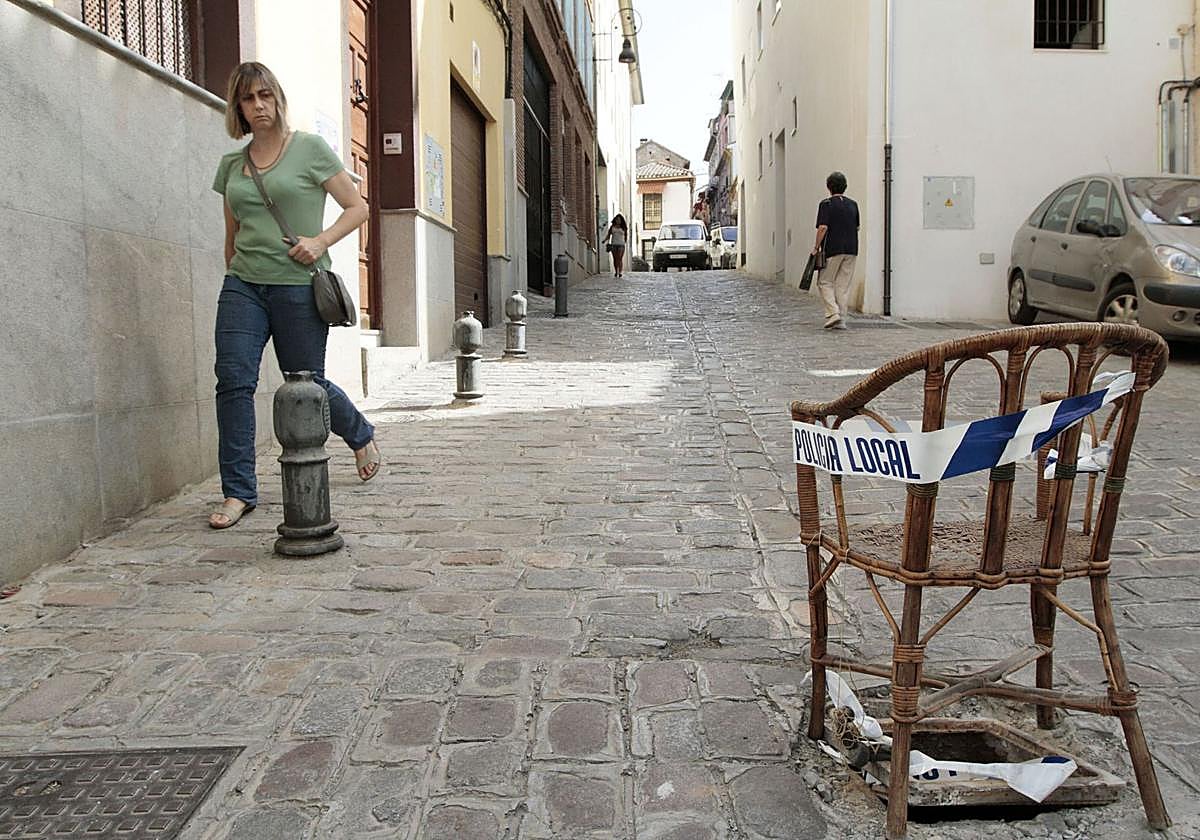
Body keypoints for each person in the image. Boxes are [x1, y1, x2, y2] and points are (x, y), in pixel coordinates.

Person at [208, 62, 379, 529]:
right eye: (248, 99)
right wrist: (235, 279)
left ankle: (359, 432)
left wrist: (320, 242)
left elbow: (358, 207)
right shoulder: (233, 166)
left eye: (265, 95)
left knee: (306, 384)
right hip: (244, 285)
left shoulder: (309, 149)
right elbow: (233, 234)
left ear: (277, 98)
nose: (258, 105)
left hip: (299, 286)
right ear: (238, 108)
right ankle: (238, 491)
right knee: (233, 381)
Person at [812, 171, 860, 330]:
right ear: (845, 187)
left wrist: (816, 247)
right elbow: (857, 227)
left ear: (829, 187)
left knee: (824, 282)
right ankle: (842, 319)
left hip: (832, 249)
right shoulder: (853, 204)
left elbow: (823, 227)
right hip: (852, 249)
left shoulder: (826, 204)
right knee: (842, 286)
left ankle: (833, 314)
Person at [602, 213, 629, 278]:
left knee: (619, 258)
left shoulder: (623, 228)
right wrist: (604, 240)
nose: (618, 221)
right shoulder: (612, 227)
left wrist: (624, 242)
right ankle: (616, 271)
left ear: (621, 221)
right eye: (617, 220)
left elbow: (626, 236)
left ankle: (620, 272)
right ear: (615, 220)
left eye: (619, 220)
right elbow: (608, 235)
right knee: (615, 258)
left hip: (621, 245)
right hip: (614, 245)